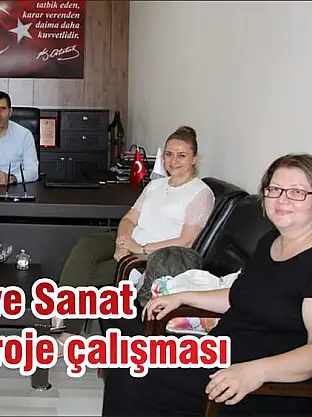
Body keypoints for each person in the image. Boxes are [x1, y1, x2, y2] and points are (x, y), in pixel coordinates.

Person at [105, 153, 312, 416]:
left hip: (259, 383)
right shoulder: (270, 241)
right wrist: (183, 297)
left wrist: (255, 372)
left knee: (133, 375)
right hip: (220, 352)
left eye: (297, 192)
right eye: (275, 190)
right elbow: (240, 296)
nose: (282, 200)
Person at [52, 126, 215, 340]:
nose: (173, 161)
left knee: (84, 274)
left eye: (181, 155)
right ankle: (62, 317)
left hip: (152, 255)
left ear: (194, 158)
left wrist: (140, 249)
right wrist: (122, 242)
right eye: (169, 154)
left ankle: (66, 330)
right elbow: (129, 219)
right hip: (131, 241)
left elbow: (186, 241)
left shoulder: (200, 193)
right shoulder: (156, 185)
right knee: (86, 244)